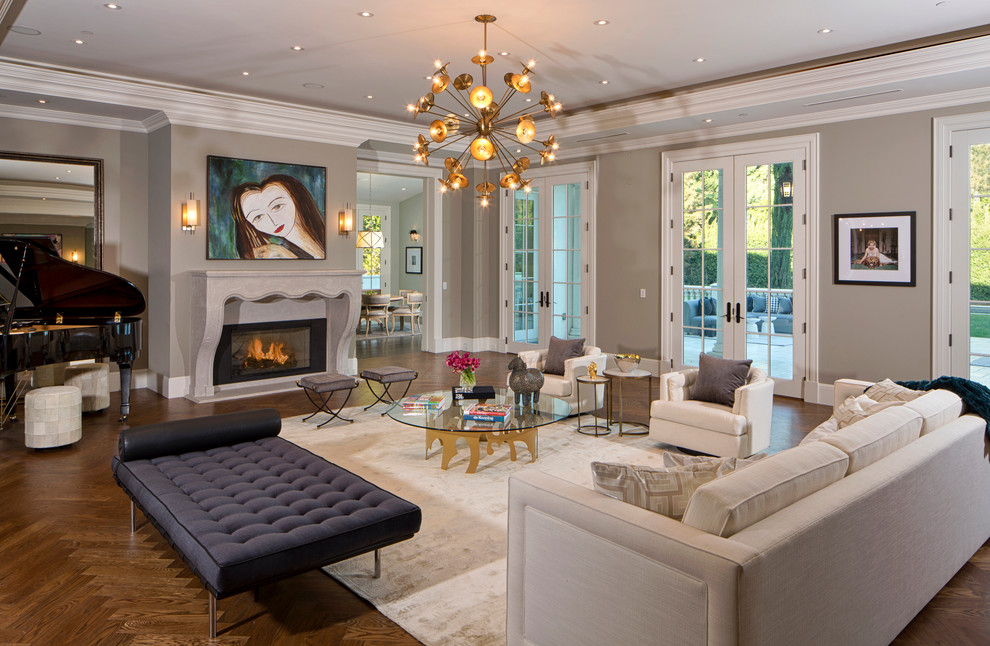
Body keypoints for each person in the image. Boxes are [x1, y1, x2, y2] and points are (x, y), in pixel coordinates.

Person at [229, 174, 325, 259]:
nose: (273, 221)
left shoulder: (323, 238)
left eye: (277, 206)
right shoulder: (274, 253)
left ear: (295, 198)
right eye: (258, 217)